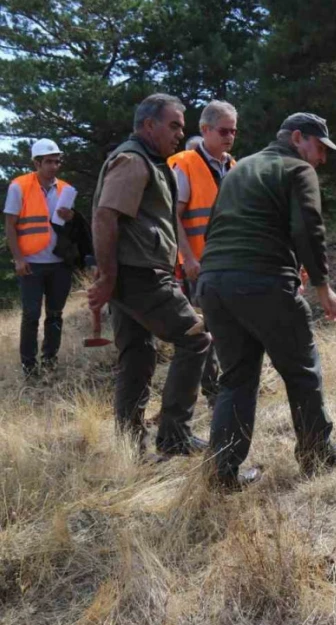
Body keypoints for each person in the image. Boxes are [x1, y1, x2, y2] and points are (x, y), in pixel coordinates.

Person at [198, 113, 336, 491]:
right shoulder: (297, 169)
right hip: (260, 281)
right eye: (319, 147)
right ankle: (317, 453)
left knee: (236, 380)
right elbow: (307, 228)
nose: (322, 159)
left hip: (215, 284)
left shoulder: (239, 168)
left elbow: (220, 225)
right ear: (298, 138)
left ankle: (222, 474)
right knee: (301, 370)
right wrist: (323, 286)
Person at [88, 93, 210, 457]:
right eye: (173, 125)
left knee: (138, 356)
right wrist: (108, 276)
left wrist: (112, 278)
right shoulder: (133, 160)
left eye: (181, 128)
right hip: (139, 275)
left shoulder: (151, 160)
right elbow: (105, 217)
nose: (179, 134)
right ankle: (174, 436)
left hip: (133, 274)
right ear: (148, 125)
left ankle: (131, 447)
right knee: (197, 339)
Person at [168, 100, 236, 409]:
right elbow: (174, 216)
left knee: (230, 327)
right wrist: (188, 259)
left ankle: (229, 384)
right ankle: (212, 392)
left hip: (230, 264)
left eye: (234, 131)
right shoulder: (184, 164)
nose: (230, 137)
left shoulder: (233, 166)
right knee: (204, 329)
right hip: (199, 266)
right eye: (224, 130)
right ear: (205, 129)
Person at [5, 139, 76, 378]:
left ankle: (49, 361)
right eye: (48, 162)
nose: (54, 166)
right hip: (31, 264)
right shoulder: (19, 186)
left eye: (57, 161)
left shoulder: (66, 189)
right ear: (36, 162)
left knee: (55, 314)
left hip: (59, 265)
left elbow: (71, 228)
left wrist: (71, 216)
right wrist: (18, 258)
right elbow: (10, 226)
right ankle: (29, 366)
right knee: (31, 315)